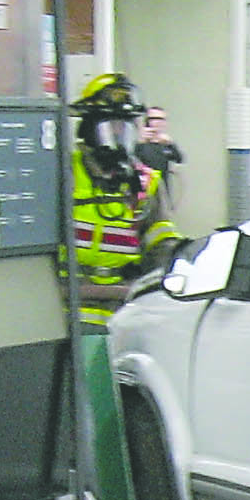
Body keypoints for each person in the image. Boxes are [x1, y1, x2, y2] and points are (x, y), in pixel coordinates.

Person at [68, 72, 183, 323]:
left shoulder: (146, 182)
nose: (120, 136)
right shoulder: (64, 172)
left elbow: (162, 244)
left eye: (126, 127)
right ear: (89, 128)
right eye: (111, 127)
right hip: (68, 306)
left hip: (123, 309)